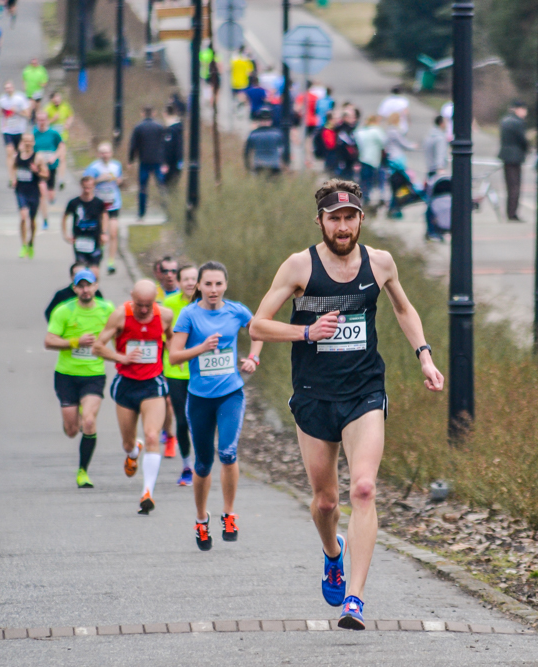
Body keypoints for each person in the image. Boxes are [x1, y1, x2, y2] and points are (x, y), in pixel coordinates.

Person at [248, 179, 444, 630]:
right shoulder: (299, 266)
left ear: (360, 219)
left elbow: (403, 309)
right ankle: (333, 553)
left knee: (363, 489)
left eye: (349, 217)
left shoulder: (380, 262)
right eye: (333, 218)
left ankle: (354, 598)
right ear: (319, 221)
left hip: (363, 392)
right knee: (324, 502)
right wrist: (306, 332)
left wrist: (425, 358)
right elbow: (258, 325)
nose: (342, 226)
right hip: (314, 396)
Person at [168, 262, 263, 550]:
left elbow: (258, 330)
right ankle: (201, 519)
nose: (213, 290)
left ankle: (229, 513)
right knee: (203, 463)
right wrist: (202, 348)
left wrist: (253, 357)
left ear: (225, 285)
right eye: (207, 284)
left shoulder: (237, 310)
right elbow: (174, 357)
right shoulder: (188, 315)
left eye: (218, 284)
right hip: (198, 398)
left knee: (228, 452)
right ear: (198, 286)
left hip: (230, 393)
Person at [94, 280, 175, 515]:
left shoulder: (166, 315)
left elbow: (170, 339)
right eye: (139, 304)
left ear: (155, 300)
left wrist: (175, 356)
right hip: (126, 384)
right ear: (132, 298)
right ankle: (133, 452)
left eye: (148, 305)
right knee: (128, 443)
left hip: (153, 383)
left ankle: (147, 493)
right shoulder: (120, 315)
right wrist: (122, 357)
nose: (143, 309)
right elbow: (98, 347)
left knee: (152, 435)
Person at [44, 270, 115, 489]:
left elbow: (121, 332)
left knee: (90, 422)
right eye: (80, 286)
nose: (85, 289)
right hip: (66, 375)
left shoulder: (107, 309)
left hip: (93, 375)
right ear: (74, 289)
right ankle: (75, 419)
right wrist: (75, 342)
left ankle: (83, 471)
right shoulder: (64, 311)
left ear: (96, 286)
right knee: (72, 430)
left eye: (89, 285)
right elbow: (49, 341)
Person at [162, 264, 198, 486]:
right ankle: (187, 466)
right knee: (183, 420)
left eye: (194, 279)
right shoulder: (168, 305)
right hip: (176, 370)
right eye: (186, 279)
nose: (190, 283)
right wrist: (177, 355)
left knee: (201, 420)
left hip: (202, 370)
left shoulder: (207, 304)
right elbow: (165, 336)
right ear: (178, 281)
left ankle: (204, 464)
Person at [154, 255, 181, 458]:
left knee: (175, 401)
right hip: (158, 353)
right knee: (165, 400)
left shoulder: (186, 295)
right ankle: (169, 432)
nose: (170, 275)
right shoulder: (153, 294)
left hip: (181, 352)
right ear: (158, 273)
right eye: (166, 271)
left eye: (174, 271)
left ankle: (175, 432)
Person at [84, 143, 124, 274]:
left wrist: (119, 181)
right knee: (100, 234)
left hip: (113, 203)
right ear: (98, 154)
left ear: (111, 153)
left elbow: (120, 179)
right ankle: (96, 258)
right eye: (102, 153)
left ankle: (111, 262)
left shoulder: (116, 165)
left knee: (113, 232)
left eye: (107, 152)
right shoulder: (93, 167)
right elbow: (86, 183)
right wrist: (99, 180)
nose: (105, 155)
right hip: (99, 206)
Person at [128, 106, 167, 221]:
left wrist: (131, 160)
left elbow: (133, 145)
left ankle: (141, 213)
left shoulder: (138, 127)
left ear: (142, 113)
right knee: (162, 187)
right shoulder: (160, 126)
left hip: (144, 161)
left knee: (143, 188)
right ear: (154, 113)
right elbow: (164, 145)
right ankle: (167, 211)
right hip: (158, 161)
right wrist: (165, 161)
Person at [11, 133, 48, 258]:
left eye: (30, 141)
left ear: (33, 143)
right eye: (25, 141)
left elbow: (46, 174)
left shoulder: (38, 158)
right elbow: (13, 168)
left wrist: (37, 171)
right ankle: (23, 245)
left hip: (33, 191)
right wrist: (13, 179)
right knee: (23, 216)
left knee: (32, 220)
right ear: (22, 142)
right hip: (21, 191)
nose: (27, 143)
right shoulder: (17, 156)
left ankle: (31, 242)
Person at [63, 175, 109, 267]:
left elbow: (105, 216)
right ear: (81, 186)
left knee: (94, 269)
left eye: (89, 187)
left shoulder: (98, 203)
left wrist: (103, 233)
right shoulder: (74, 203)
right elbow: (65, 217)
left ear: (93, 187)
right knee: (81, 268)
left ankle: (95, 281)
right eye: (85, 187)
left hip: (95, 239)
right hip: (80, 240)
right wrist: (65, 235)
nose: (87, 190)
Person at [33, 111, 66, 229]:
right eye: (39, 120)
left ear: (47, 120)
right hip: (40, 169)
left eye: (43, 120)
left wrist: (55, 157)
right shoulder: (34, 133)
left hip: (51, 167)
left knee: (50, 195)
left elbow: (61, 146)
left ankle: (52, 196)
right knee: (42, 193)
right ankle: (45, 220)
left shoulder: (53, 133)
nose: (41, 122)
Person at [498, 101, 528, 221]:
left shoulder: (504, 120)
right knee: (515, 186)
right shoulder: (518, 122)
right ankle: (513, 212)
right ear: (518, 109)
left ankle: (510, 211)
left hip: (506, 155)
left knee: (509, 186)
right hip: (516, 156)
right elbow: (522, 140)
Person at [353, 115, 387, 206]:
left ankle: (365, 198)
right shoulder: (377, 131)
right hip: (374, 159)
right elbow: (384, 143)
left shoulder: (360, 132)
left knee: (364, 181)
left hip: (363, 158)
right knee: (375, 180)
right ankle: (376, 198)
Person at [0, 81, 29, 173]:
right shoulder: (2, 100)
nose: (8, 90)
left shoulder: (20, 98)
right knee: (9, 152)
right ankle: (11, 175)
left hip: (19, 129)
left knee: (20, 152)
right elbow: (0, 113)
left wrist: (17, 111)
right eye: (6, 88)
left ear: (13, 88)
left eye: (10, 87)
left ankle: (20, 169)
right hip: (7, 129)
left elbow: (27, 114)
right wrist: (3, 112)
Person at [244, 108, 285, 174]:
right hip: (274, 165)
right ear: (271, 121)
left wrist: (248, 167)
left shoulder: (253, 134)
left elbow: (247, 152)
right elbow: (282, 150)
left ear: (259, 121)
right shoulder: (277, 134)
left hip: (259, 166)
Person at [162, 106, 184, 187]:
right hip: (177, 162)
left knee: (167, 186)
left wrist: (165, 163)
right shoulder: (179, 128)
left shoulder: (171, 130)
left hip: (171, 164)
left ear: (165, 114)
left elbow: (168, 148)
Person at [423, 115, 449, 180]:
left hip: (429, 169)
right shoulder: (440, 138)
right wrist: (440, 168)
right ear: (441, 123)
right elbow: (440, 153)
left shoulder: (429, 136)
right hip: (437, 172)